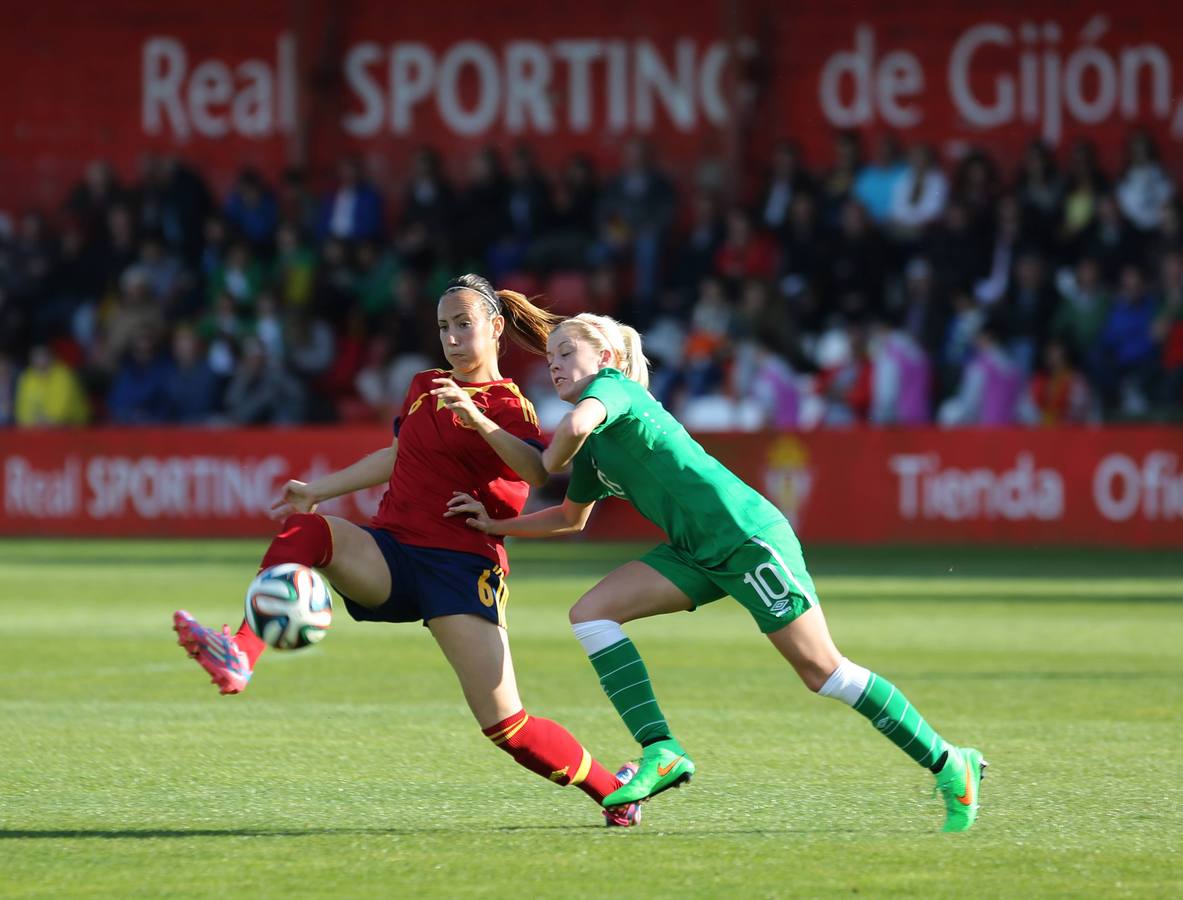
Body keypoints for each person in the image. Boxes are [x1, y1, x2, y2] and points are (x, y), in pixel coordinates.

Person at [446, 313, 987, 832]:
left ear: (606, 358)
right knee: (590, 614)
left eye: (568, 352)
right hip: (693, 551)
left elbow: (565, 441)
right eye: (551, 357)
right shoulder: (591, 446)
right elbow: (569, 516)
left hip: (745, 537)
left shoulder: (615, 390)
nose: (555, 365)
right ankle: (662, 749)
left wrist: (530, 443)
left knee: (824, 672)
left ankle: (949, 765)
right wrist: (498, 523)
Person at [172, 275, 641, 827]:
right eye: (443, 326)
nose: (452, 337)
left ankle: (615, 793)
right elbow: (397, 454)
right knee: (312, 531)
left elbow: (538, 470)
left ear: (494, 327)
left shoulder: (509, 406)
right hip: (392, 552)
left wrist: (480, 419)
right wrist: (318, 491)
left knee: (506, 724)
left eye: (464, 324)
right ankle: (240, 653)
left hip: (462, 569)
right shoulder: (424, 385)